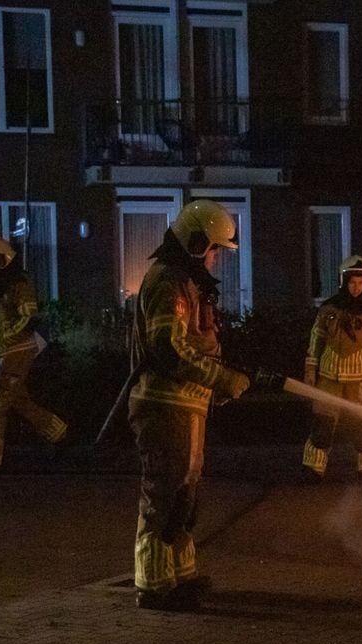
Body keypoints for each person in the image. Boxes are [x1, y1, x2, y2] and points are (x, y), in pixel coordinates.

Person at [128, 200, 250, 611]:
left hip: (186, 405)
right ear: (196, 243)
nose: (216, 258)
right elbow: (169, 349)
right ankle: (153, 584)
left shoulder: (188, 282)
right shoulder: (168, 281)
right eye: (214, 250)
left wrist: (219, 381)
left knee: (186, 494)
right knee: (164, 492)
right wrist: (221, 378)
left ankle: (179, 576)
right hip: (164, 405)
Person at [0, 236, 67, 478]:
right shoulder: (2, 287)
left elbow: (29, 318)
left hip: (15, 352)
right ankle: (60, 434)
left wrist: (9, 337)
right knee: (18, 402)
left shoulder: (19, 285)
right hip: (8, 352)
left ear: (1, 261)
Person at [301, 255, 362, 484]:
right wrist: (310, 370)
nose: (356, 288)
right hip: (328, 376)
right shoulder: (328, 309)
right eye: (352, 282)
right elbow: (316, 340)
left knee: (361, 425)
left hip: (361, 380)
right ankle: (313, 468)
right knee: (322, 423)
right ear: (343, 282)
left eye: (361, 283)